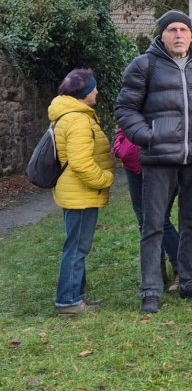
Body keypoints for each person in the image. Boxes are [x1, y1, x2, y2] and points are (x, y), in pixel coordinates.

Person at [115, 10, 192, 314]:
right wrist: (148, 136)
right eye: (172, 30)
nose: (179, 35)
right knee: (153, 225)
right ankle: (151, 290)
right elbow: (125, 109)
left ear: (191, 34)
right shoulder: (144, 66)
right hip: (158, 159)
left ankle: (190, 283)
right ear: (162, 35)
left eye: (184, 30)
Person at [51, 69, 114, 315]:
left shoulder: (72, 115)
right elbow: (80, 163)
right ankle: (68, 301)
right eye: (93, 87)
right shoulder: (77, 119)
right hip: (80, 193)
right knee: (76, 247)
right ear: (84, 91)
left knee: (77, 246)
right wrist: (105, 179)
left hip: (77, 192)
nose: (97, 91)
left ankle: (77, 296)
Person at [113, 129, 180, 292]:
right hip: (132, 165)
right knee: (144, 221)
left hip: (160, 162)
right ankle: (157, 272)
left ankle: (182, 268)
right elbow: (123, 119)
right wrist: (121, 142)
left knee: (161, 219)